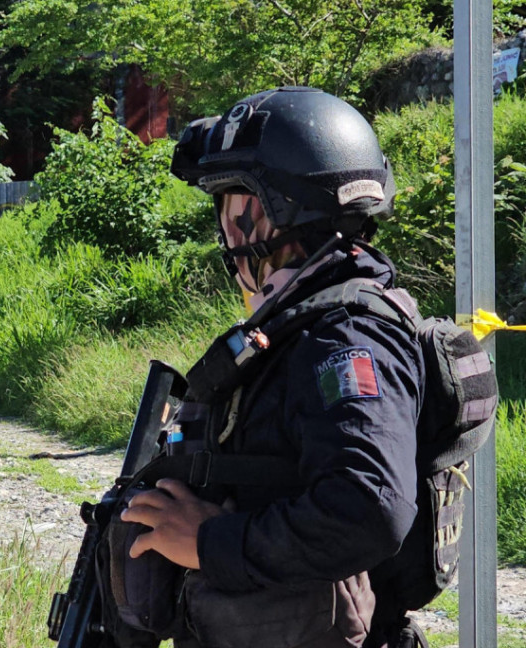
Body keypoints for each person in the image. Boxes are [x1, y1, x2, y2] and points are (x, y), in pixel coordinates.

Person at [119, 88, 427, 648]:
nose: (229, 237)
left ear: (283, 214)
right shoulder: (304, 324)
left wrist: (210, 542)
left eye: (238, 213)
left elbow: (370, 505)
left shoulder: (348, 335)